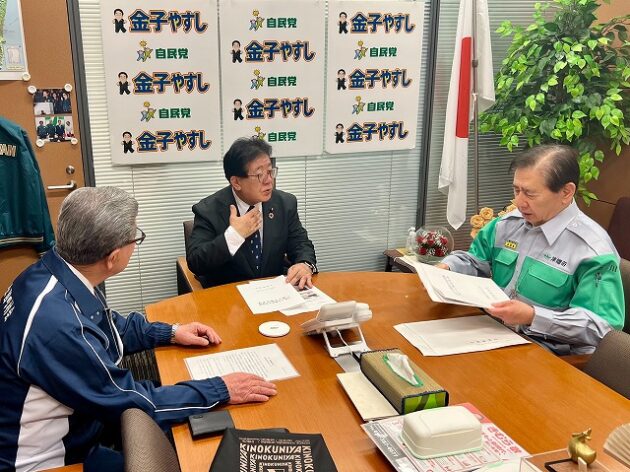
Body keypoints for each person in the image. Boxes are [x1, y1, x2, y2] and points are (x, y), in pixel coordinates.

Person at [0, 187, 276, 471]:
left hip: (81, 423)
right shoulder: (59, 327)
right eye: (136, 237)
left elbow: (106, 326)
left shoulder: (53, 273)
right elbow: (131, 400)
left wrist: (170, 332)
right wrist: (221, 388)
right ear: (113, 257)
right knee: (188, 456)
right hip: (51, 459)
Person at [437, 145, 625, 355]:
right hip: (493, 332)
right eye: (516, 190)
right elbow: (475, 261)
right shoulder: (506, 225)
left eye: (529, 193)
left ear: (566, 192)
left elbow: (602, 328)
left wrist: (533, 317)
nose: (519, 202)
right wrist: (447, 268)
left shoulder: (592, 250)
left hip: (549, 353)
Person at [187, 137, 317, 289]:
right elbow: (196, 263)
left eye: (270, 171)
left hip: (275, 292)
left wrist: (305, 264)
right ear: (236, 182)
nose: (269, 180)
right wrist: (233, 236)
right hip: (229, 296)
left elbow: (301, 243)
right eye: (260, 174)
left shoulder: (285, 203)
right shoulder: (208, 210)